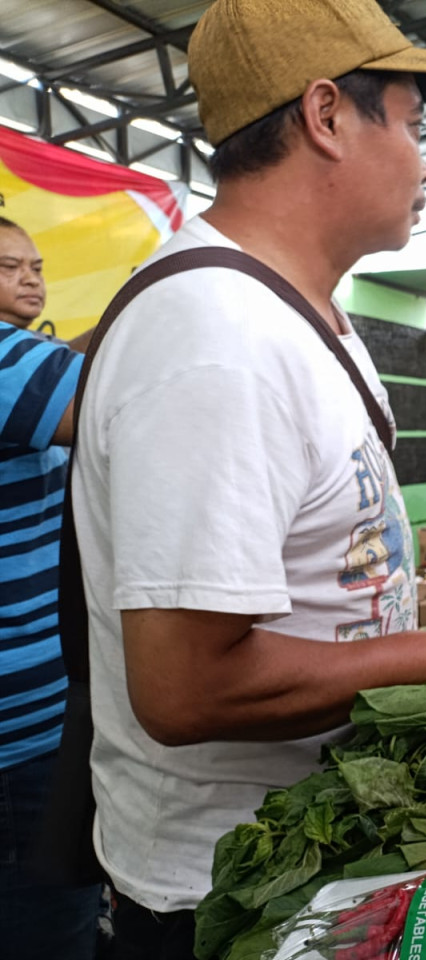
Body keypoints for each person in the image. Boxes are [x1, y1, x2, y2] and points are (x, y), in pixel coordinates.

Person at [70, 2, 426, 955]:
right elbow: (181, 690)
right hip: (228, 896)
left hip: (322, 853)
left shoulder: (306, 314)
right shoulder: (216, 337)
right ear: (328, 115)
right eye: (415, 126)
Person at [0, 223, 100, 957]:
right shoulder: (8, 361)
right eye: (9, 267)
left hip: (31, 722)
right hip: (22, 738)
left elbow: (73, 359)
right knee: (48, 930)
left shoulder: (26, 359)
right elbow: (124, 393)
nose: (31, 279)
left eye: (35, 266)